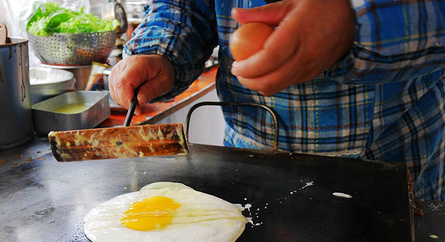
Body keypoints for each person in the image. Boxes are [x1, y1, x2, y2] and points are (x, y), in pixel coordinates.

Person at [109, 0, 445, 201]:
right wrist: (161, 52)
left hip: (395, 159)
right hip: (246, 159)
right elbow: (184, 5)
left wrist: (354, 23)